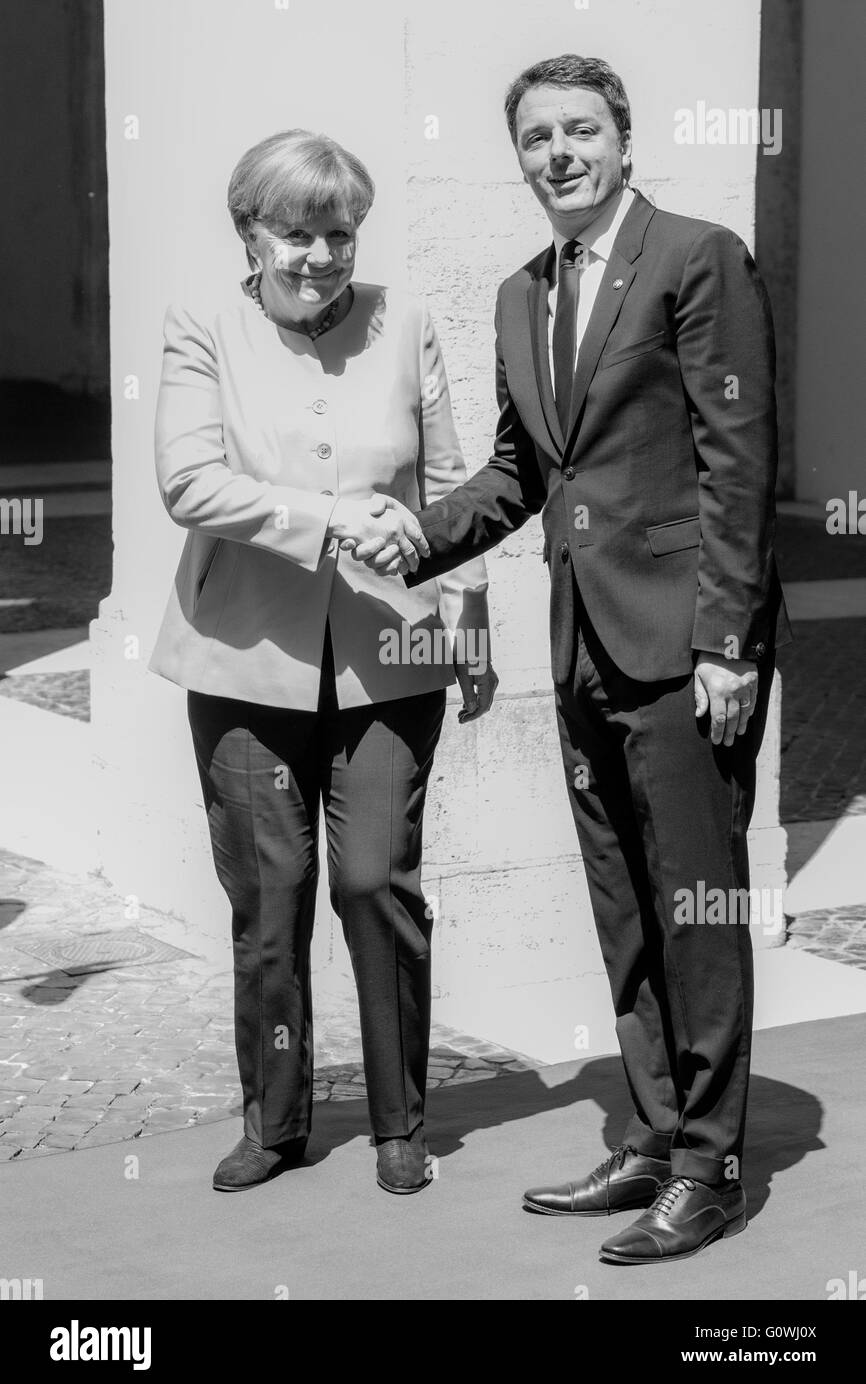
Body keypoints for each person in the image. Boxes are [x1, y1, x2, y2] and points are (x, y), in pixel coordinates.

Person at [358, 55, 791, 1261]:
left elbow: (737, 461)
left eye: (580, 131)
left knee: (694, 909)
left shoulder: (695, 256)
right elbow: (517, 474)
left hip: (681, 649)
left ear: (621, 138)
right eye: (537, 136)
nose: (558, 153)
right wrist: (419, 535)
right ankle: (652, 1135)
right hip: (581, 643)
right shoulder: (516, 295)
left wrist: (724, 644)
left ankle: (710, 1163)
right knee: (623, 904)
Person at [149, 129, 495, 1196]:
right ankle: (276, 1115)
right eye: (295, 232)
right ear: (248, 233)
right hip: (242, 658)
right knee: (271, 890)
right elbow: (188, 483)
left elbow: (451, 486)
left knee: (371, 881)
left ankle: (399, 1121)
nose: (318, 254)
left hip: (391, 656)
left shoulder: (405, 323)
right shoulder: (203, 323)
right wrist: (333, 516)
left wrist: (470, 623)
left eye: (337, 232)